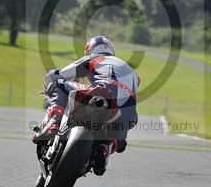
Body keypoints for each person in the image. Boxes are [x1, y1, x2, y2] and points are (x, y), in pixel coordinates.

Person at [32, 35, 139, 175]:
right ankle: (104, 148)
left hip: (101, 94)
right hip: (128, 112)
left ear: (90, 50)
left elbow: (59, 75)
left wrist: (50, 81)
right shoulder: (133, 73)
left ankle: (52, 123)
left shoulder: (93, 59)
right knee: (119, 142)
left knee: (57, 82)